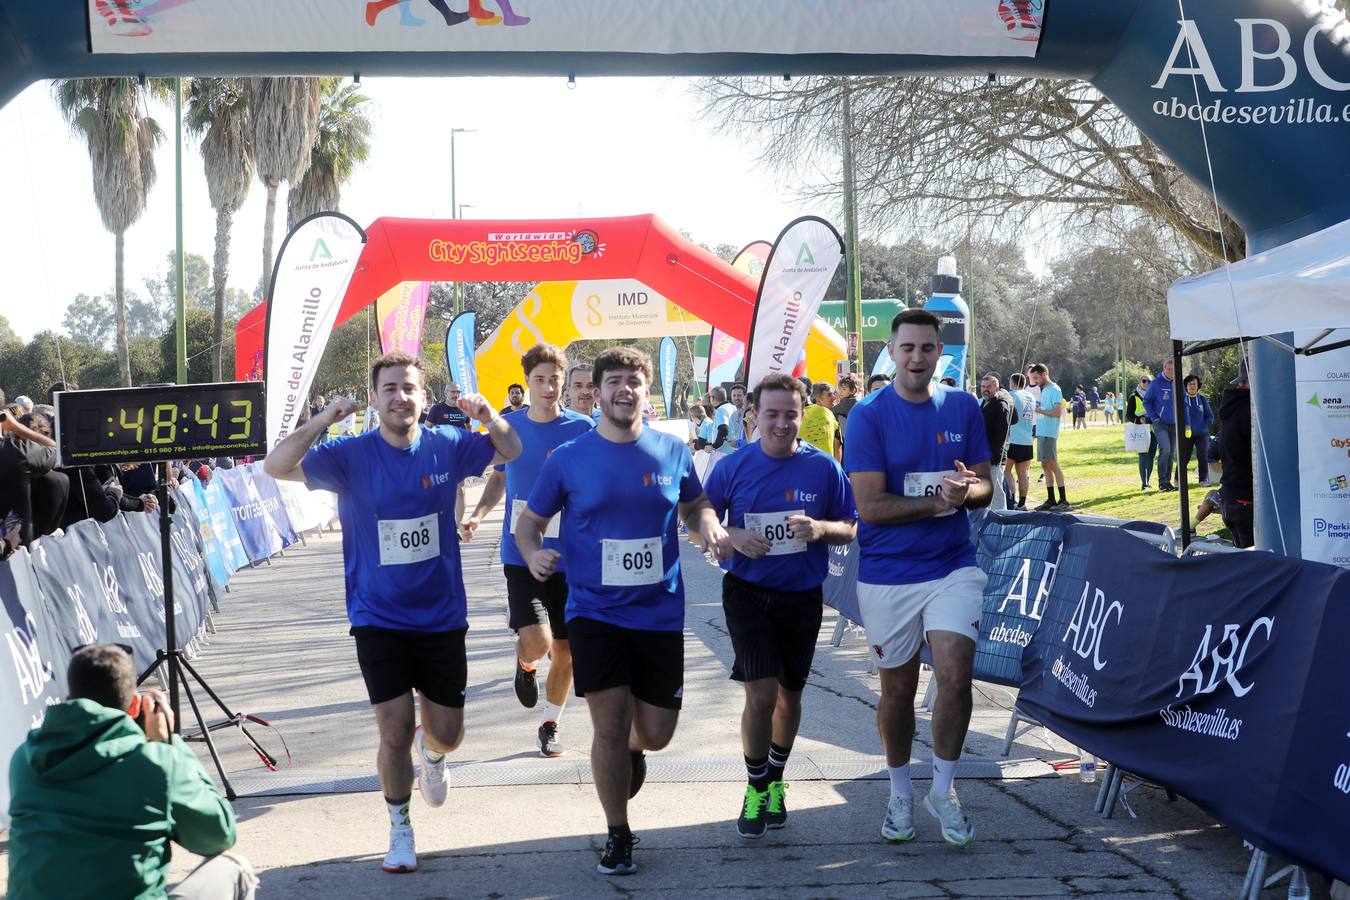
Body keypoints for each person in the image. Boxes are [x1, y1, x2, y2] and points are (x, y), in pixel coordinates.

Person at [263, 350, 521, 875]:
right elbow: (275, 465)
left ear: (423, 398)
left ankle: (435, 755)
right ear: (376, 399)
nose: (400, 397)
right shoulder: (350, 454)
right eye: (390, 389)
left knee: (445, 731)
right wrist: (322, 419)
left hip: (442, 616)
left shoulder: (449, 445)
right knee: (394, 729)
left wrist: (488, 415)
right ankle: (400, 828)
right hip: (376, 616)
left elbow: (511, 449)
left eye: (409, 388)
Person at [515, 346, 733, 876]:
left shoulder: (671, 450)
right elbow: (528, 523)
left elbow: (694, 503)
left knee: (655, 733)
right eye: (611, 382)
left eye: (632, 381)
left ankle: (633, 748)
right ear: (596, 391)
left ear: (645, 390)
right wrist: (533, 553)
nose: (622, 390)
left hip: (659, 612)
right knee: (607, 726)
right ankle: (619, 832)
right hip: (595, 612)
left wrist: (709, 527)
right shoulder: (568, 457)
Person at [845, 309, 992, 848]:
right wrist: (938, 501)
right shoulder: (867, 416)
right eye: (907, 348)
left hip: (952, 566)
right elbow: (871, 506)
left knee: (955, 674)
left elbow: (986, 488)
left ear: (939, 353)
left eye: (927, 349)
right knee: (898, 691)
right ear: (892, 351)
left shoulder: (964, 405)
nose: (916, 358)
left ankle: (945, 791)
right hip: (887, 574)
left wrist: (965, 491)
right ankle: (900, 792)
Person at [704, 373, 857, 838]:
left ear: (803, 413)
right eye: (771, 414)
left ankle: (775, 777)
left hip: (801, 597)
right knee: (761, 693)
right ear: (754, 413)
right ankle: (755, 787)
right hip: (748, 595)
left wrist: (819, 529)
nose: (781, 423)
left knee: (790, 696)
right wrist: (728, 535)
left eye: (790, 414)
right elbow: (699, 517)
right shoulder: (734, 466)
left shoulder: (823, 468)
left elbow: (850, 526)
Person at [7, 644, 255, 900]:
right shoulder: (157, 762)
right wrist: (170, 744)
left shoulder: (24, 760)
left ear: (70, 701)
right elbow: (217, 836)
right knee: (233, 868)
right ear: (136, 706)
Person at [461, 344, 593, 757]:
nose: (549, 387)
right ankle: (525, 662)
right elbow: (499, 479)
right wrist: (480, 514)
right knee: (538, 640)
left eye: (555, 379)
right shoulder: (508, 428)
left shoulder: (583, 429)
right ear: (527, 383)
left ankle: (551, 723)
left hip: (570, 556)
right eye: (540, 379)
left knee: (568, 650)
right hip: (521, 551)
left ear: (564, 382)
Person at [1219, 363, 1254, 548]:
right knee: (1253, 565)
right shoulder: (1248, 409)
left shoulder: (1233, 406)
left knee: (1244, 562)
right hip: (1243, 497)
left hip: (1231, 495)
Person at [1029, 364, 1069, 510]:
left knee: (1053, 464)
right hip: (1041, 432)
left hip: (1049, 433)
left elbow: (1057, 412)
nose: (1034, 381)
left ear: (1044, 374)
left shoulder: (1054, 390)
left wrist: (1039, 410)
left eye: (1036, 378)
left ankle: (1063, 500)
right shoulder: (1044, 389)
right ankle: (1051, 499)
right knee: (1045, 465)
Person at [979, 374, 1016, 511]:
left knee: (996, 493)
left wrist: (991, 457)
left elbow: (1000, 436)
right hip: (982, 456)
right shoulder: (985, 403)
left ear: (996, 387)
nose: (985, 390)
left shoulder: (1000, 405)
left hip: (994, 457)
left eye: (989, 386)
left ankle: (1001, 523)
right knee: (986, 493)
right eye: (983, 386)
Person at [1144, 360, 1178, 492]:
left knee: (1171, 453)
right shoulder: (1156, 384)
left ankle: (1168, 482)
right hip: (1160, 424)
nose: (1171, 372)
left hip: (1175, 424)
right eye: (1168, 369)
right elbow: (1147, 401)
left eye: (1173, 369)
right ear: (1164, 369)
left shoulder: (1178, 383)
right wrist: (1154, 418)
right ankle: (1162, 482)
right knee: (1166, 450)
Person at [1005, 373, 1035, 510]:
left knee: (1006, 471)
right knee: (1023, 472)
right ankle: (1022, 503)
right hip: (1027, 440)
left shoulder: (1012, 394)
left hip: (1014, 439)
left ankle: (1012, 501)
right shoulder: (1031, 396)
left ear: (1013, 382)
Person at [1179, 374, 1215, 486]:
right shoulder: (1182, 400)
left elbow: (1210, 417)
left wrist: (1204, 426)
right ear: (1186, 386)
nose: (1193, 386)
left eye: (1194, 384)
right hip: (1187, 434)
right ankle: (1178, 479)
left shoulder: (1202, 399)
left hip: (1202, 433)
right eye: (1190, 384)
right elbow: (1180, 416)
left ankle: (1203, 479)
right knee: (1184, 456)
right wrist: (1185, 426)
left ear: (1198, 385)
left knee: (1203, 454)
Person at [1124, 375, 1157, 489]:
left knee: (1151, 457)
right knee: (1143, 456)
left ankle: (1148, 480)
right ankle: (1144, 483)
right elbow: (1128, 415)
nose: (1146, 383)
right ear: (1139, 382)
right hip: (1141, 430)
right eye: (1144, 381)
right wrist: (1139, 420)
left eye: (1149, 381)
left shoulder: (1154, 396)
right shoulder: (1133, 397)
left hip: (1153, 430)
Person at [799, 382, 841, 460]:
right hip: (826, 466)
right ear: (818, 399)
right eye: (829, 395)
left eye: (833, 394)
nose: (834, 397)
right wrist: (837, 469)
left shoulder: (799, 415)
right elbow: (837, 447)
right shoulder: (829, 414)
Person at [708, 386, 738, 455]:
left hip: (724, 453)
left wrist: (713, 446)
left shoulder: (721, 410)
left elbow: (723, 429)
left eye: (710, 397)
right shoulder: (733, 407)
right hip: (734, 450)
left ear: (712, 398)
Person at [833, 373, 862, 439]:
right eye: (840, 389)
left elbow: (831, 411)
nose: (840, 392)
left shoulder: (849, 402)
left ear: (853, 391)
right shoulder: (857, 400)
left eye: (844, 389)